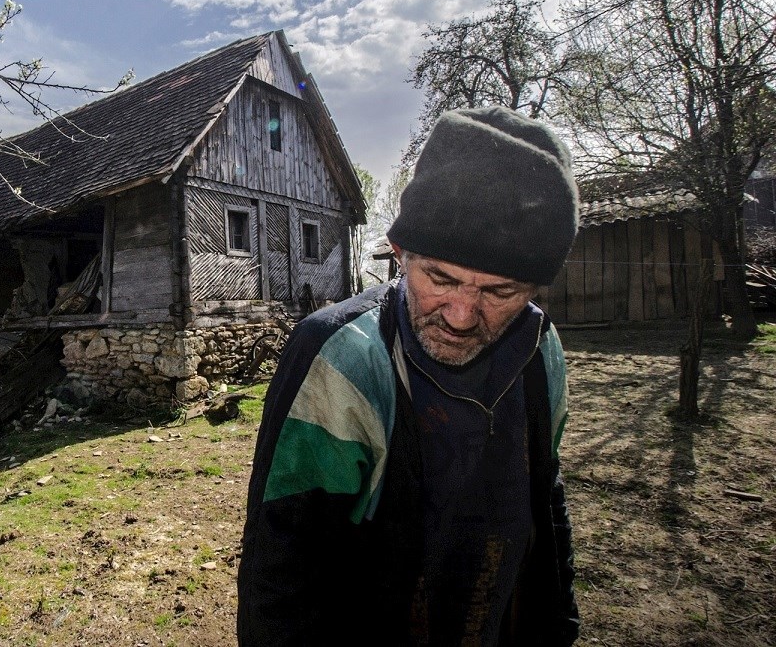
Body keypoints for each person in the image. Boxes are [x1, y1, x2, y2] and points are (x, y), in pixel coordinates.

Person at [236, 105, 582, 646]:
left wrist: (559, 626)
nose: (462, 316)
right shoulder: (342, 359)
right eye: (440, 279)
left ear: (536, 290)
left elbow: (545, 491)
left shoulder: (540, 354)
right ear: (400, 254)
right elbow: (284, 569)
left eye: (500, 292)